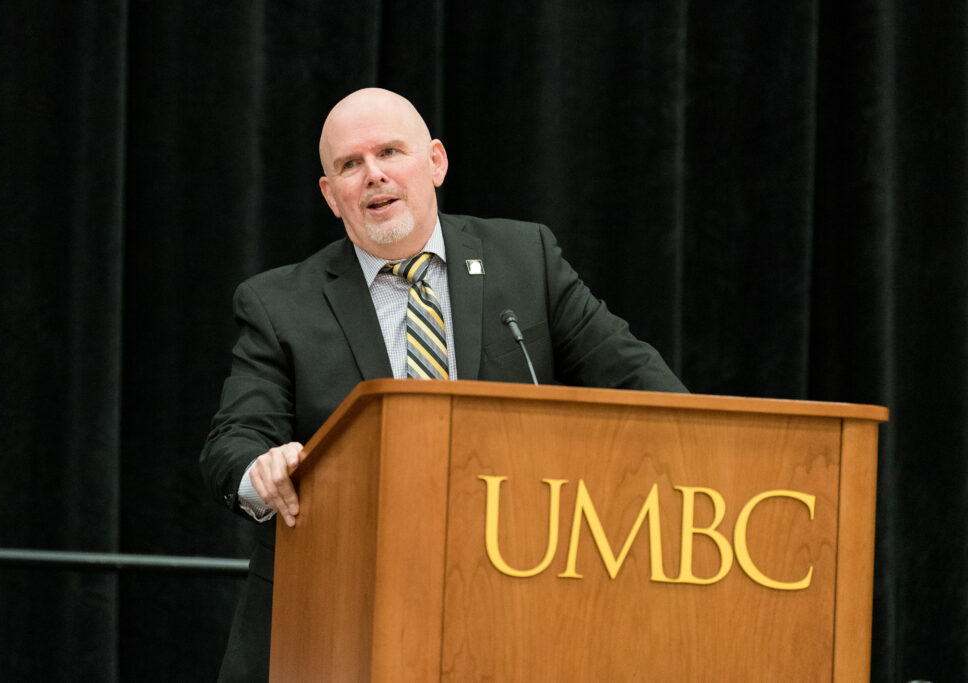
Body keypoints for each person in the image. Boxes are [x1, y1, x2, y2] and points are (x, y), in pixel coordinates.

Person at [200, 87, 687, 681]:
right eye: (350, 165)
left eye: (390, 152)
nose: (373, 175)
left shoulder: (524, 258)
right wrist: (262, 470)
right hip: (336, 610)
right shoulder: (279, 303)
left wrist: (703, 451)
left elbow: (641, 381)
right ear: (331, 196)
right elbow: (235, 440)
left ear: (435, 161)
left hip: (514, 593)